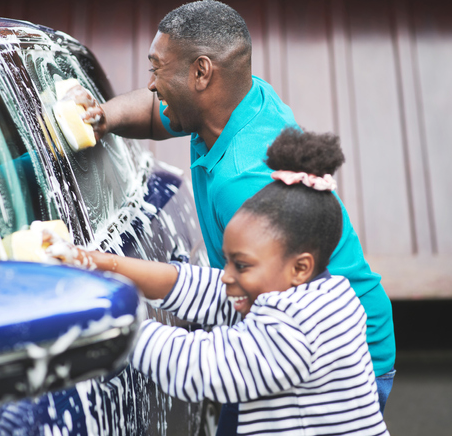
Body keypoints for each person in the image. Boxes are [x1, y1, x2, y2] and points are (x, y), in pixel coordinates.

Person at [69, 0, 396, 413]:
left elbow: (212, 362)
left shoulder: (244, 181)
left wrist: (105, 323)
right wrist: (103, 117)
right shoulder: (234, 102)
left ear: (201, 72)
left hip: (332, 364)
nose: (151, 83)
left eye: (157, 68)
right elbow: (155, 112)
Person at [45, 129, 389, 436]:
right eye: (228, 261)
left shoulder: (294, 326)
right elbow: (198, 287)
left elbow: (198, 365)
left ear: (300, 267)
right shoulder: (325, 291)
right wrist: (101, 263)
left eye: (241, 265)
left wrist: (108, 319)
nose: (227, 275)